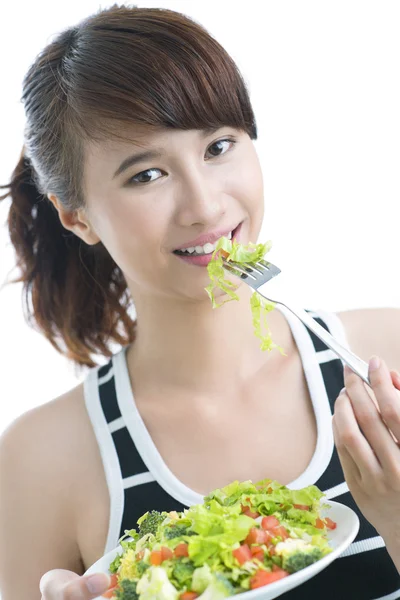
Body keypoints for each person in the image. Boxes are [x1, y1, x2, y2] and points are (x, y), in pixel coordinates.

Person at [0, 5, 399, 600]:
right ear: (75, 215)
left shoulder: (385, 355)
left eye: (218, 146)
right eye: (146, 175)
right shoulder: (37, 462)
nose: (207, 207)